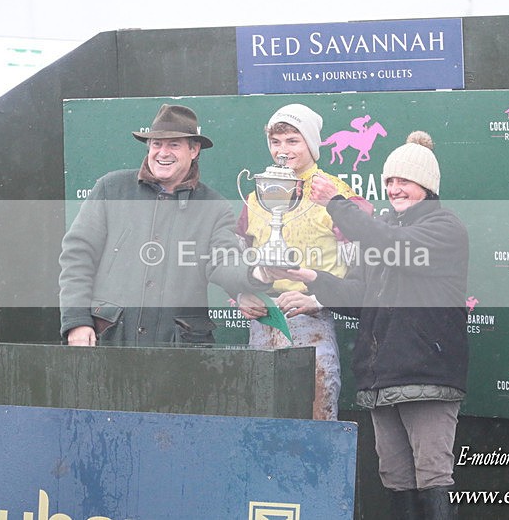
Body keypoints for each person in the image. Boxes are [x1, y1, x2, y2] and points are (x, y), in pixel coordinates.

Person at [271, 131, 469, 519]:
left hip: (427, 374)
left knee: (433, 475)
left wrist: (336, 205)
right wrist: (312, 279)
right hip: (381, 380)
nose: (395, 189)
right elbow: (361, 297)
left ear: (427, 187)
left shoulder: (445, 228)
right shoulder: (381, 232)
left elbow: (395, 247)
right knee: (394, 477)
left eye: (405, 181)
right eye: (390, 181)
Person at [59, 104, 271, 346]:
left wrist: (257, 273)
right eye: (157, 144)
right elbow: (77, 257)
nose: (163, 152)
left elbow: (224, 262)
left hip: (180, 351)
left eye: (174, 144)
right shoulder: (111, 188)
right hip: (109, 339)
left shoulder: (214, 206)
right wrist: (77, 321)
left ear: (194, 150)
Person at [235, 103, 373, 420]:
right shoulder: (256, 195)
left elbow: (365, 266)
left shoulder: (335, 193)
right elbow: (238, 259)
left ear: (311, 143)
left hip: (314, 326)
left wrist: (316, 299)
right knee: (261, 425)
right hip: (263, 325)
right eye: (276, 142)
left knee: (316, 424)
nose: (283, 150)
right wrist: (242, 295)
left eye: (293, 141)